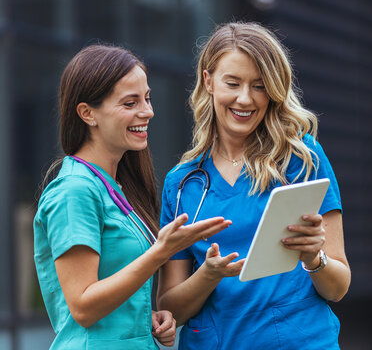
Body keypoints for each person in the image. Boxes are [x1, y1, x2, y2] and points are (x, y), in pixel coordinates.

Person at [158, 22, 351, 350]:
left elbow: (338, 287)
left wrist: (313, 257)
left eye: (260, 86)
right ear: (208, 81)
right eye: (232, 83)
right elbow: (170, 308)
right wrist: (209, 274)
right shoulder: (181, 184)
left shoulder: (301, 158)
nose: (245, 99)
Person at [33, 44, 231, 349]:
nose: (148, 111)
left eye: (147, 98)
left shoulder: (112, 187)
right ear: (87, 114)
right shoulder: (74, 191)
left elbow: (113, 296)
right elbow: (83, 307)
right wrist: (161, 252)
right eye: (130, 103)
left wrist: (147, 318)